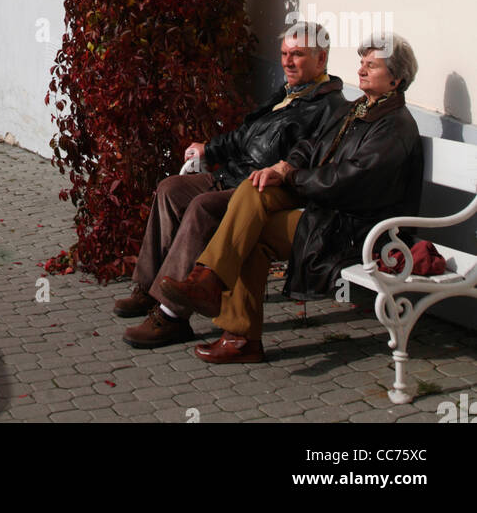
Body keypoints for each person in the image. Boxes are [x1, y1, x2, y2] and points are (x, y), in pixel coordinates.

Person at [159, 34, 422, 364]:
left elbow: (351, 180)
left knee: (253, 234)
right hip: (327, 209)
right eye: (362, 63)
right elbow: (311, 145)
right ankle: (210, 285)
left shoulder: (394, 127)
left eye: (372, 65)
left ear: (396, 79)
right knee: (255, 187)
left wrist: (294, 178)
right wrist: (283, 166)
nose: (362, 70)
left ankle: (236, 330)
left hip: (357, 228)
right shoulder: (358, 109)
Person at [117, 21, 348, 348]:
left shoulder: (330, 107)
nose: (287, 62)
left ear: (321, 60)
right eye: (284, 54)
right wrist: (209, 148)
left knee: (201, 207)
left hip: (256, 188)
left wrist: (280, 170)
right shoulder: (287, 93)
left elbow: (308, 157)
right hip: (230, 174)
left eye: (297, 55)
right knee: (170, 189)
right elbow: (244, 136)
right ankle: (149, 288)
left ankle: (171, 316)